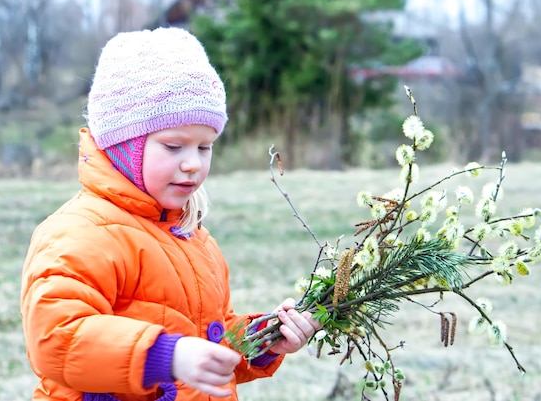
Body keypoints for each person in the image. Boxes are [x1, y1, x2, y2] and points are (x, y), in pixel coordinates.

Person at [20, 27, 319, 401]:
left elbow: (210, 340)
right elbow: (57, 340)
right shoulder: (81, 233)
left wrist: (263, 339)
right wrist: (167, 355)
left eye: (205, 147)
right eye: (174, 146)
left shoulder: (193, 238)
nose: (193, 164)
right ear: (124, 146)